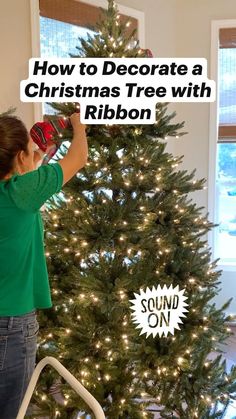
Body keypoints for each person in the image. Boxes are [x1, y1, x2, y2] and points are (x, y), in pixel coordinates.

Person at [0, 112, 88, 418]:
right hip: (10, 324)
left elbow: (21, 181)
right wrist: (79, 125)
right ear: (20, 156)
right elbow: (78, 158)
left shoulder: (17, 191)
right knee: (12, 408)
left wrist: (32, 157)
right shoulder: (23, 193)